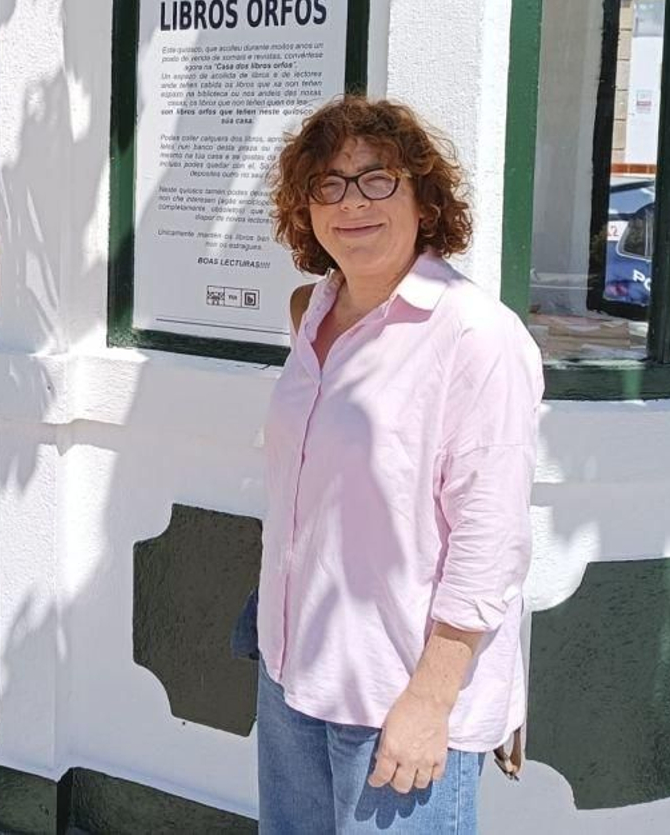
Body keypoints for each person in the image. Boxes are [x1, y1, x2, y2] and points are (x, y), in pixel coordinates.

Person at [254, 95, 543, 834]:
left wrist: (430, 703)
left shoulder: (477, 338)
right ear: (306, 208)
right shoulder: (313, 312)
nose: (352, 202)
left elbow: (491, 539)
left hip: (395, 698)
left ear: (423, 198)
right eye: (330, 183)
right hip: (293, 675)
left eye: (377, 178)